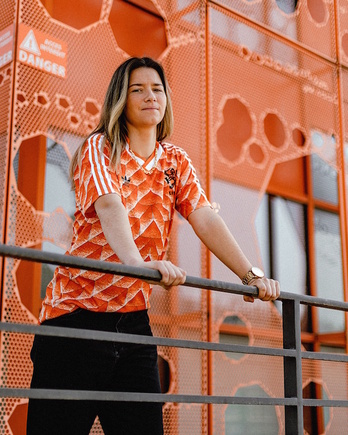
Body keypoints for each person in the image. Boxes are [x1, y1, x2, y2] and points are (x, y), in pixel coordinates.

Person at [27, 56, 280, 435]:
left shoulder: (175, 161)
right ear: (121, 100)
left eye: (157, 88)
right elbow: (110, 205)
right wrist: (139, 264)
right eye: (137, 89)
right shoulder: (101, 147)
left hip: (133, 326)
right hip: (74, 322)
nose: (150, 96)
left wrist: (250, 275)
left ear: (167, 99)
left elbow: (205, 217)